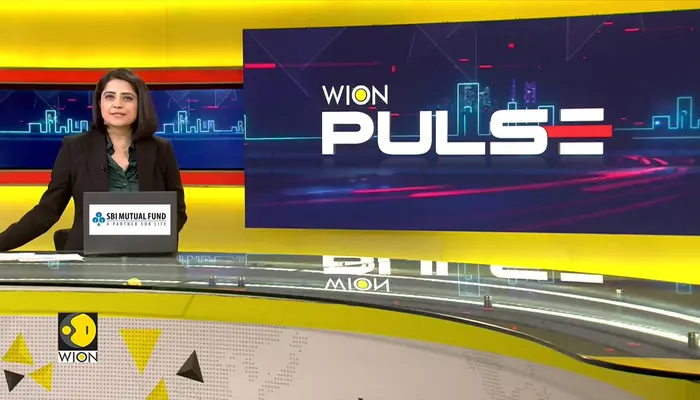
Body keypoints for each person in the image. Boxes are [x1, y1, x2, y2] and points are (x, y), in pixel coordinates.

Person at [0, 68, 187, 251]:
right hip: (87, 259)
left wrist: (148, 244)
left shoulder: (161, 150)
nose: (117, 104)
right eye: (109, 97)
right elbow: (47, 211)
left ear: (140, 104)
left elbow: (178, 212)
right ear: (99, 104)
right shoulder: (75, 148)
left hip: (149, 259)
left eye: (127, 98)